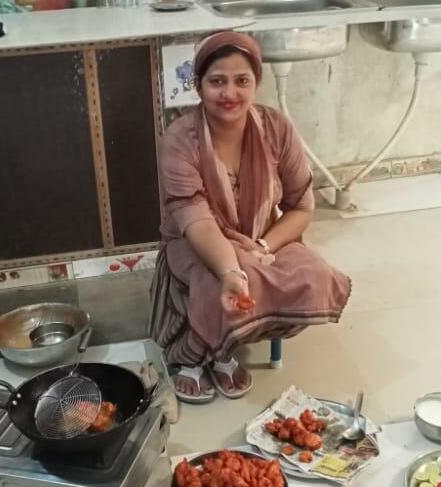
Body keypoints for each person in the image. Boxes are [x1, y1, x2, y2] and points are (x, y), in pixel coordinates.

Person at [149, 31, 351, 403]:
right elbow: (197, 222)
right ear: (198, 85)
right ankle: (192, 355)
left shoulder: (277, 128)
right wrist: (233, 269)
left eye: (242, 81)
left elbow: (302, 207)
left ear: (256, 82)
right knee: (221, 280)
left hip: (262, 237)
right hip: (195, 239)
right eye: (217, 81)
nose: (230, 93)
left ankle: (227, 340)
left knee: (315, 276)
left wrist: (262, 246)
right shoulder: (179, 139)